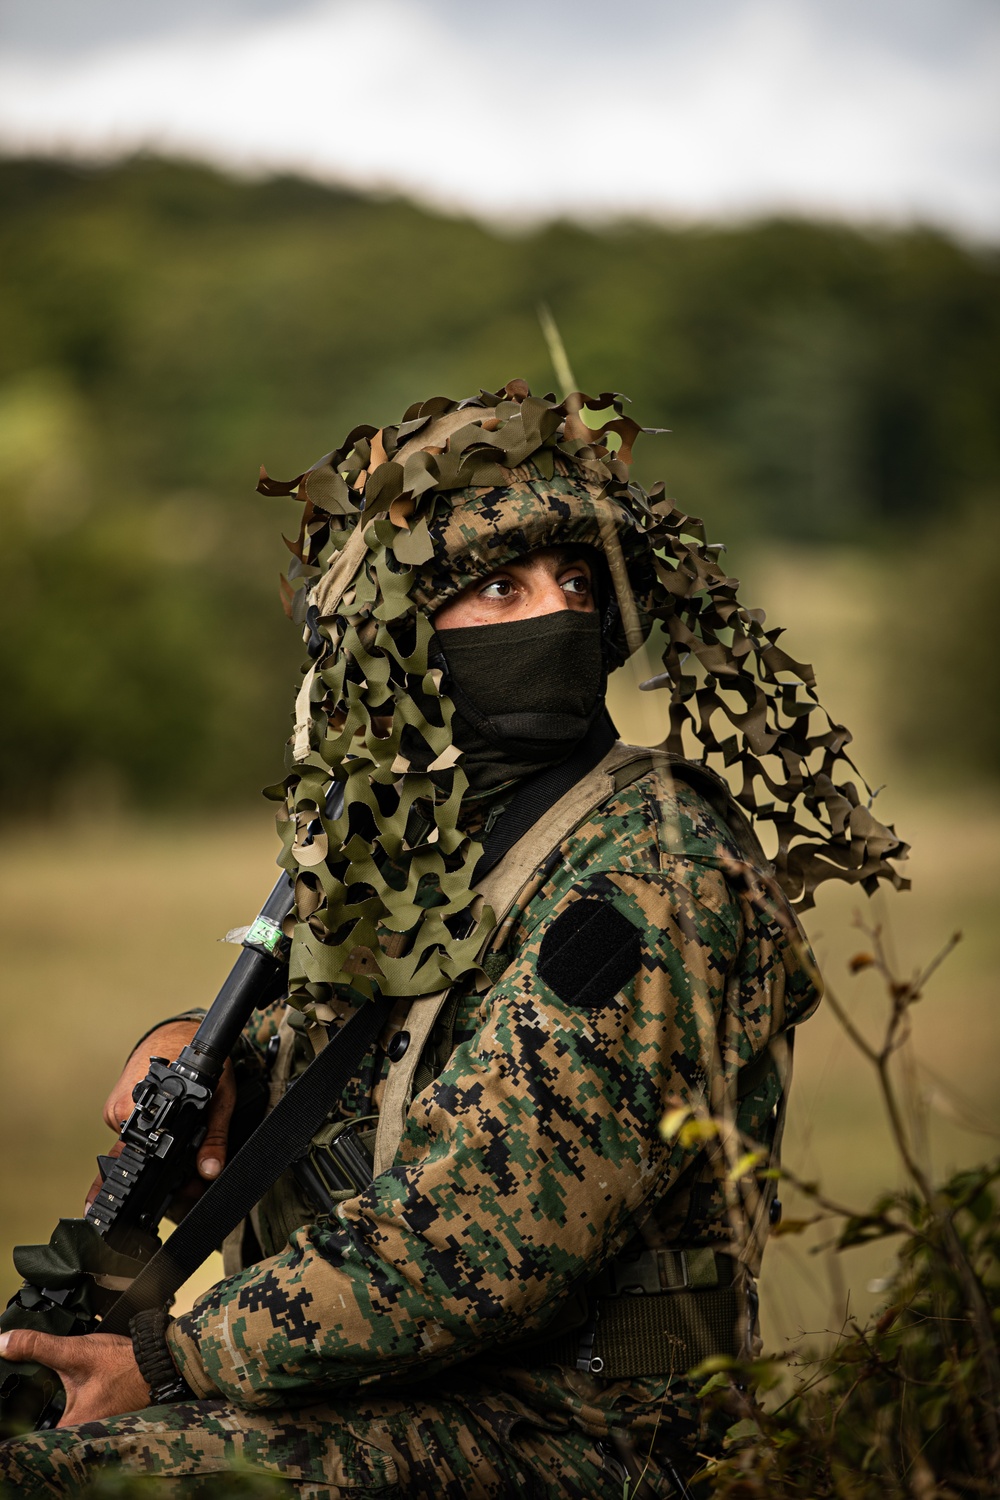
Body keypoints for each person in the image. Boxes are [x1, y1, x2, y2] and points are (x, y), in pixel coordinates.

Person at [0, 382, 906, 1497]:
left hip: (581, 1433)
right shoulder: (425, 840)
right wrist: (203, 1058)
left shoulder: (655, 863)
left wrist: (172, 1358)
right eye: (497, 587)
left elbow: (484, 1236)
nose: (556, 615)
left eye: (578, 583)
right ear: (398, 632)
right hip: (392, 1396)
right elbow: (357, 1077)